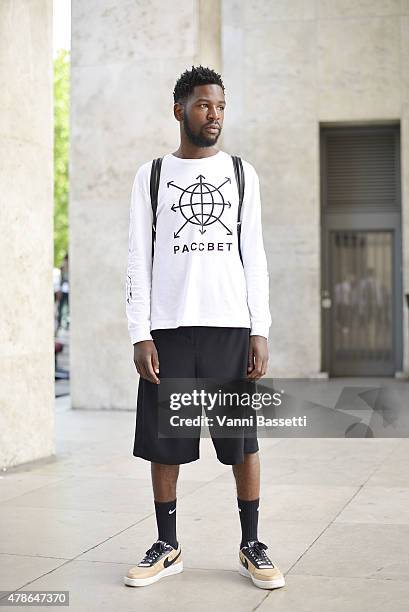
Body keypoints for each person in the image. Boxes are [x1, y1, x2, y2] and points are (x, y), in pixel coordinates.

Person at [124, 65, 285, 590]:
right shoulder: (151, 176)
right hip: (169, 329)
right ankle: (167, 545)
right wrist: (139, 332)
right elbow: (137, 260)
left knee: (241, 441)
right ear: (179, 111)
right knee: (163, 442)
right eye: (202, 106)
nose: (213, 115)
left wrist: (259, 328)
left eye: (220, 106)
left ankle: (252, 544)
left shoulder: (241, 173)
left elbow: (253, 255)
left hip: (230, 326)